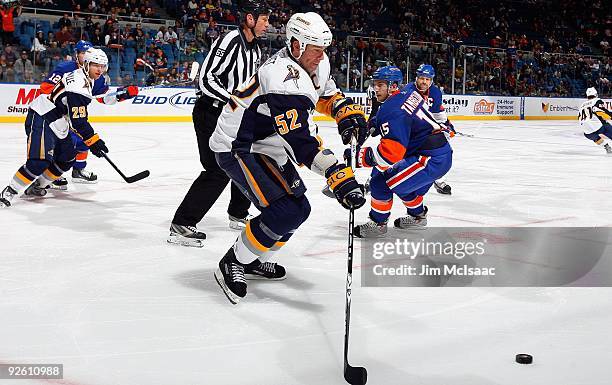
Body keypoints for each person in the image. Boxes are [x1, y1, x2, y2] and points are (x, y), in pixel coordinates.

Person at [210, 12, 367, 304]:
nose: (321, 57)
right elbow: (300, 140)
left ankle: (253, 257)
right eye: (316, 50)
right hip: (239, 145)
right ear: (296, 45)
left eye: (324, 50)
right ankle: (232, 261)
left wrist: (346, 112)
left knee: (299, 209)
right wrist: (336, 173)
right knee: (285, 211)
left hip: (268, 142)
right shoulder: (281, 74)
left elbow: (326, 94)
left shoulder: (312, 61)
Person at [167, 0, 271, 247]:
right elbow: (205, 79)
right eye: (264, 19)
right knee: (216, 170)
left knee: (244, 159)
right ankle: (182, 223)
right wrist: (233, 100)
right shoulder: (230, 41)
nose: (268, 25)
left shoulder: (255, 50)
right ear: (249, 19)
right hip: (210, 112)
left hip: (232, 115)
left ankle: (238, 212)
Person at [350, 65, 453, 238]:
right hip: (433, 152)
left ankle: (378, 223)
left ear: (393, 86)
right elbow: (408, 120)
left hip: (429, 158)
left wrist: (359, 157)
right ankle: (418, 217)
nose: (376, 88)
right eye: (375, 84)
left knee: (380, 182)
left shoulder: (392, 108)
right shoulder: (408, 94)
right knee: (399, 184)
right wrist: (376, 121)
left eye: (381, 84)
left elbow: (391, 154)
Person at [0, 49, 111, 208]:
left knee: (67, 158)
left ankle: (38, 186)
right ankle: (9, 191)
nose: (100, 70)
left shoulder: (88, 78)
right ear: (86, 64)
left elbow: (89, 106)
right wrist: (94, 141)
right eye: (96, 65)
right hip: (43, 114)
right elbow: (79, 121)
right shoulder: (78, 85)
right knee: (39, 162)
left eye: (102, 66)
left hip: (58, 119)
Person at [39, 40, 138, 189]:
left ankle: (78, 170)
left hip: (74, 115)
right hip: (56, 114)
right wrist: (64, 101)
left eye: (87, 53)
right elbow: (45, 88)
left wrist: (122, 94)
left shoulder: (96, 75)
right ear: (77, 54)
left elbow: (103, 97)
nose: (85, 56)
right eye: (82, 53)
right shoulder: (65, 68)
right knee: (63, 145)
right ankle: (51, 174)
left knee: (82, 140)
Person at [411, 64, 455, 195]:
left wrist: (446, 125)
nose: (424, 81)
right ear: (417, 77)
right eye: (422, 78)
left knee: (441, 150)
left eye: (427, 79)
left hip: (427, 130)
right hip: (410, 129)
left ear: (432, 80)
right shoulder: (408, 90)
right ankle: (376, 178)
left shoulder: (435, 92)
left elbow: (438, 113)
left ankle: (439, 179)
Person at [578, 87, 612, 154]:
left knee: (594, 136)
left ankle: (605, 145)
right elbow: (601, 112)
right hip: (598, 127)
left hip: (587, 132)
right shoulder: (597, 100)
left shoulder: (582, 105)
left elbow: (579, 118)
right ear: (596, 94)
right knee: (605, 125)